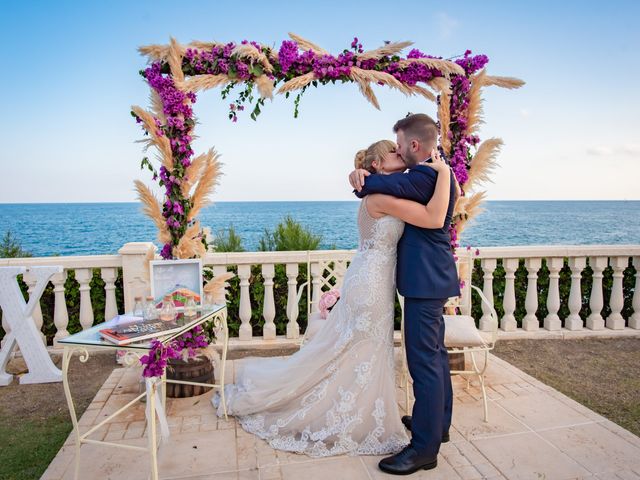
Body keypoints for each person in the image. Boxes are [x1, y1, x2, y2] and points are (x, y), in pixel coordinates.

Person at [211, 138, 452, 458]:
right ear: (377, 165)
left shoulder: (384, 189)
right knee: (362, 351)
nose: (400, 154)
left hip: (373, 281)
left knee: (362, 352)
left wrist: (364, 175)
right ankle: (353, 414)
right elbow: (432, 215)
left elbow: (410, 188)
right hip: (371, 286)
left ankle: (368, 410)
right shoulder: (379, 195)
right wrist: (444, 172)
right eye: (392, 152)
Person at [348, 113, 460, 475]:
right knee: (436, 357)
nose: (396, 150)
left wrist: (361, 177)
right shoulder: (439, 174)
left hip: (423, 282)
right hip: (433, 278)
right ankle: (437, 426)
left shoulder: (423, 176)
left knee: (424, 363)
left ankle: (424, 450)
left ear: (414, 146)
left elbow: (377, 189)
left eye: (398, 145)